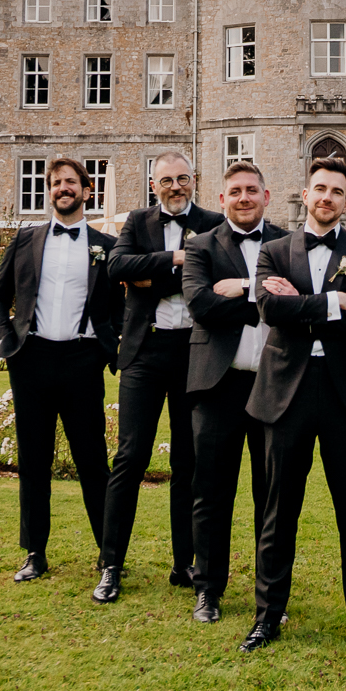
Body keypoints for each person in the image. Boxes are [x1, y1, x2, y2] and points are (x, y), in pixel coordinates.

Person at [241, 157, 346, 658]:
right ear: (304, 194)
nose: (326, 198)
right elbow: (268, 309)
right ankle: (266, 619)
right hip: (287, 393)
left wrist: (304, 302)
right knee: (278, 512)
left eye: (336, 192)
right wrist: (332, 302)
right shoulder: (274, 251)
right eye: (319, 188)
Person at [94, 151, 225, 603]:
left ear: (195, 179)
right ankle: (111, 565)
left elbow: (214, 280)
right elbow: (116, 268)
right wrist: (176, 258)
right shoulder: (136, 221)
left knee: (187, 463)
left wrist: (151, 275)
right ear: (154, 185)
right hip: (145, 352)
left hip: (194, 352)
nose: (175, 186)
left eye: (182, 178)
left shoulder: (213, 222)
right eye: (166, 180)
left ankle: (184, 564)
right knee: (129, 458)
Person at [0, 157, 123, 583]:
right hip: (32, 360)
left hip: (83, 362)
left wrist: (108, 347)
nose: (63, 188)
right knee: (34, 460)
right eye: (56, 183)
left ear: (87, 191)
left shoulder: (107, 244)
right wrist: (8, 342)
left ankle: (109, 554)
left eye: (71, 182)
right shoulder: (25, 240)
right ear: (50, 191)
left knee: (92, 461)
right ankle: (35, 553)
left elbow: (121, 306)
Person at [179, 160, 284, 623]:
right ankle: (208, 589)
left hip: (274, 386)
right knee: (212, 492)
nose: (244, 198)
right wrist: (262, 296)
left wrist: (241, 289)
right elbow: (200, 304)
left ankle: (271, 599)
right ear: (222, 200)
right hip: (217, 385)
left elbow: (295, 299)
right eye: (235, 191)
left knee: (272, 497)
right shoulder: (200, 244)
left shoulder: (286, 242)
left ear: (267, 196)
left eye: (252, 190)